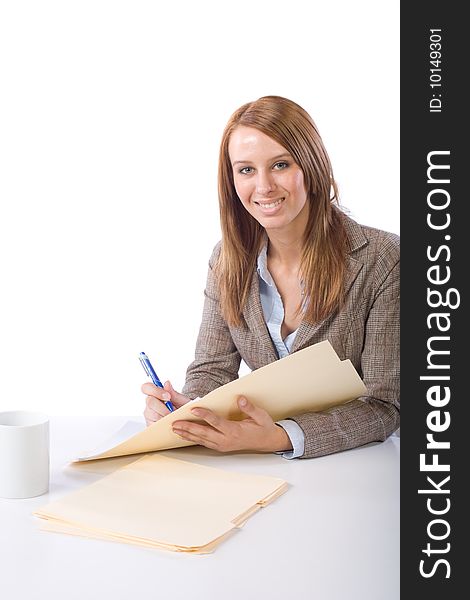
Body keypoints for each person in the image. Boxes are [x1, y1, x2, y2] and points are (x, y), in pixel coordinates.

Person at [142, 95, 400, 459]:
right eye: (246, 170)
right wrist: (188, 411)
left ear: (312, 167)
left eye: (280, 164)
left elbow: (385, 406)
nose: (263, 187)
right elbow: (212, 370)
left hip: (354, 466)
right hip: (258, 468)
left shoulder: (384, 260)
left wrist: (279, 436)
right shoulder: (228, 260)